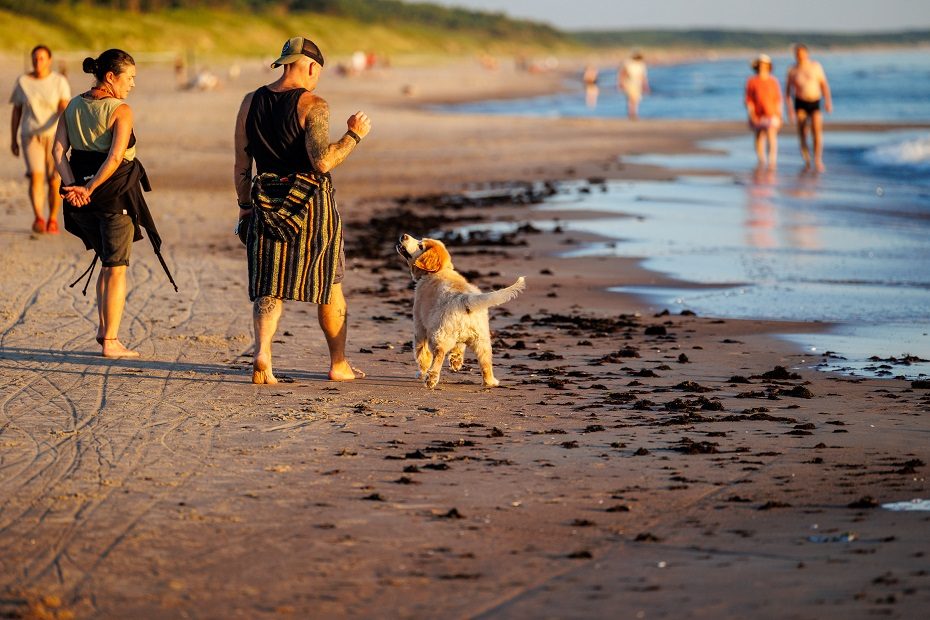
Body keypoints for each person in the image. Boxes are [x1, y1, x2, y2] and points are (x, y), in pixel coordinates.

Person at [234, 36, 371, 385]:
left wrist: (245, 210)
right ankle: (338, 364)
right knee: (329, 282)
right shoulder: (313, 103)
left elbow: (241, 164)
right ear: (311, 66)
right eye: (317, 72)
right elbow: (322, 162)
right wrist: (353, 135)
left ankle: (263, 351)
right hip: (310, 202)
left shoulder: (250, 102)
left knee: (270, 282)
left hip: (265, 199)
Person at [53, 49, 176, 358]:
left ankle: (103, 330)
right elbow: (115, 156)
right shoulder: (120, 109)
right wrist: (90, 188)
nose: (132, 84)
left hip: (78, 200)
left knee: (107, 262)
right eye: (129, 78)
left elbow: (57, 152)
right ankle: (111, 341)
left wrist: (73, 187)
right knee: (115, 267)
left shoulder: (72, 105)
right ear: (110, 77)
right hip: (113, 195)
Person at [10, 44, 71, 234]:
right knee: (36, 177)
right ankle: (38, 217)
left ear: (49, 60)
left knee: (54, 180)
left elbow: (64, 107)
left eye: (42, 58)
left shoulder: (59, 81)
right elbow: (16, 111)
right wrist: (13, 139)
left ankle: (52, 219)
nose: (38, 62)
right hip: (31, 135)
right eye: (35, 58)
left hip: (54, 135)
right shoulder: (23, 81)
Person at [786, 43, 832, 172]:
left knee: (816, 130)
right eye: (797, 54)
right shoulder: (792, 70)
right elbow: (788, 92)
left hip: (815, 101)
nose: (800, 56)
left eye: (802, 53)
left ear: (806, 54)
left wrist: (828, 101)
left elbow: (824, 85)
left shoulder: (815, 66)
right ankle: (807, 158)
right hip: (800, 102)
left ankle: (817, 159)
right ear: (795, 55)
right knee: (802, 132)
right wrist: (789, 110)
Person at [744, 53, 783, 170]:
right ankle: (761, 159)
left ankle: (772, 160)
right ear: (757, 66)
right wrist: (751, 114)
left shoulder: (773, 81)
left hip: (772, 113)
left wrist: (779, 114)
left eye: (765, 64)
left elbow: (778, 99)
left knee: (771, 135)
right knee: (759, 136)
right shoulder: (751, 81)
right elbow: (749, 100)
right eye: (760, 64)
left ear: (768, 66)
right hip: (757, 113)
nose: (762, 67)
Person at [618, 50, 649, 120]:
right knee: (633, 99)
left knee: (633, 99)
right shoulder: (632, 63)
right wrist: (645, 85)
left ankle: (632, 113)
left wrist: (645, 85)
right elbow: (623, 73)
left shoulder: (638, 64)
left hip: (634, 83)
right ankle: (633, 113)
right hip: (632, 83)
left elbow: (643, 76)